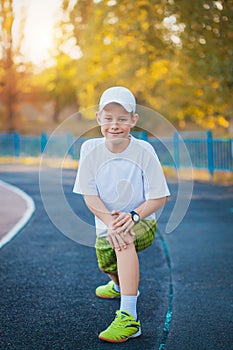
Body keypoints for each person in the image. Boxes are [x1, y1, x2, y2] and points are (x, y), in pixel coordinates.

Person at [73, 86, 170, 343]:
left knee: (123, 238)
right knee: (106, 262)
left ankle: (129, 317)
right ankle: (117, 285)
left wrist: (133, 216)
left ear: (133, 121)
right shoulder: (89, 150)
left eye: (122, 119)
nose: (114, 125)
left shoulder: (144, 151)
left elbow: (160, 196)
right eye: (108, 118)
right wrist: (109, 221)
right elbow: (88, 195)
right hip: (107, 221)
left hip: (141, 220)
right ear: (98, 119)